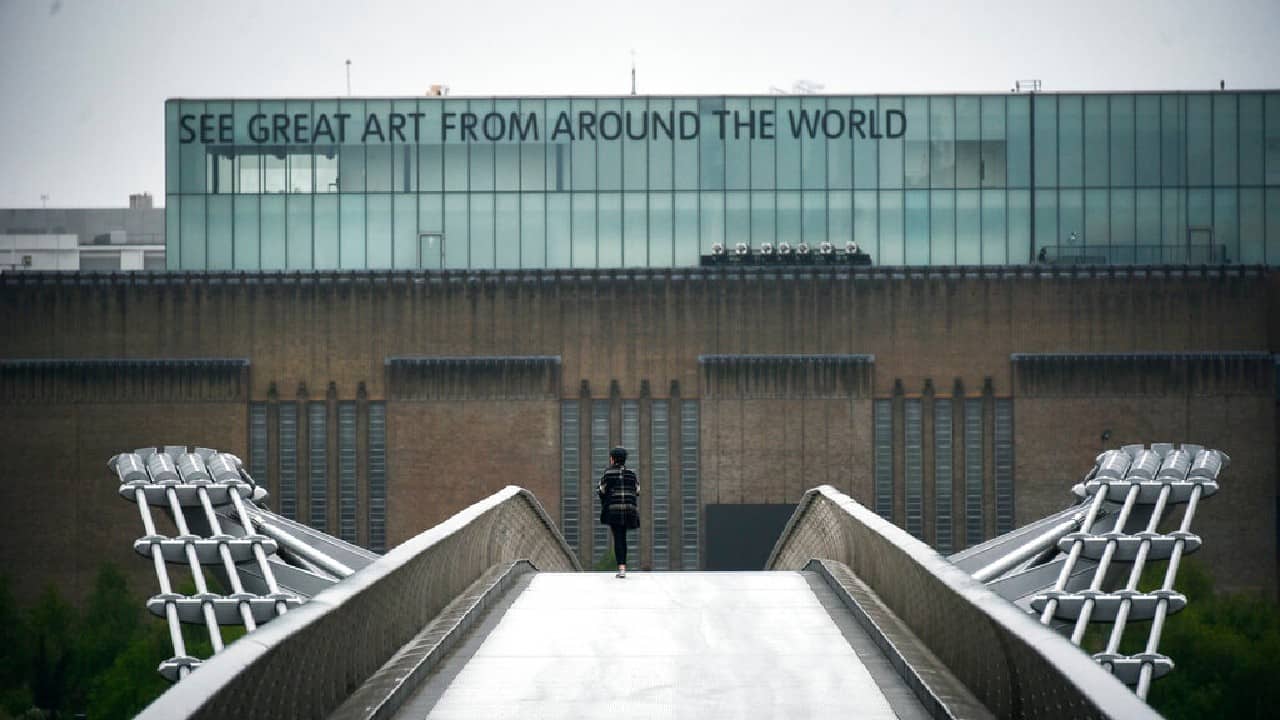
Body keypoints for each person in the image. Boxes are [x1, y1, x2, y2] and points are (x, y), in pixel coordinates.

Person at [598, 446, 640, 578]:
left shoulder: (608, 473)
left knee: (618, 537)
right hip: (629, 511)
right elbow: (637, 490)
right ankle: (623, 567)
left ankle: (621, 568)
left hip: (614, 510)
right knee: (623, 537)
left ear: (612, 459)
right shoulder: (631, 474)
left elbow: (601, 490)